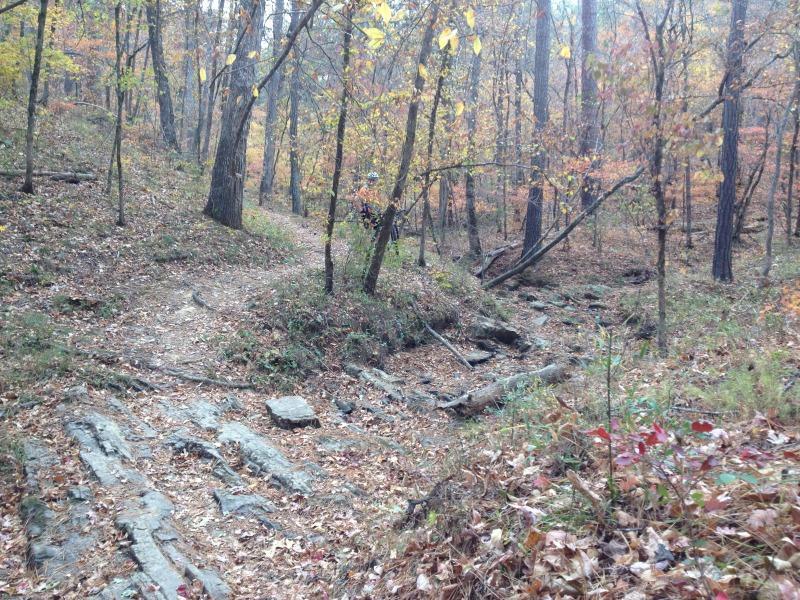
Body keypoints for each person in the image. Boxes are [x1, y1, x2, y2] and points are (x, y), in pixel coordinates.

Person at [355, 172, 400, 243]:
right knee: (377, 228)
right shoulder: (364, 189)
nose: (372, 182)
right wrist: (363, 214)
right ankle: (374, 244)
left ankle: (389, 242)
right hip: (369, 213)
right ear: (368, 180)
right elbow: (358, 202)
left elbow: (380, 202)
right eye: (371, 180)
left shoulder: (376, 190)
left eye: (374, 180)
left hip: (377, 211)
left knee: (390, 223)